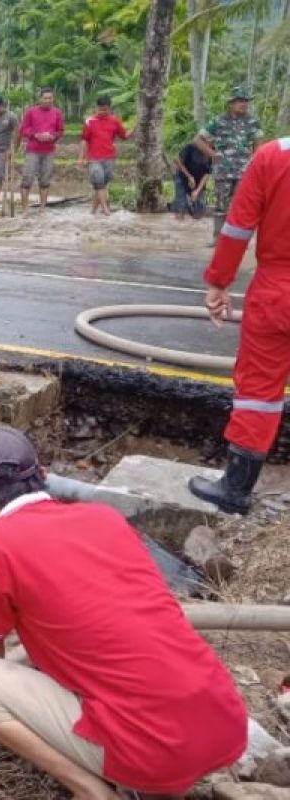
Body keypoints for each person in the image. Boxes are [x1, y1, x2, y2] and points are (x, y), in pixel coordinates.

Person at [0, 425, 246, 799]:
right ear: (43, 475)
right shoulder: (104, 517)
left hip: (152, 751)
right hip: (223, 722)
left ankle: (93, 790)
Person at [187, 137, 290, 515]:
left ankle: (235, 489)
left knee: (258, 392)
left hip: (278, 292)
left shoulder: (274, 156)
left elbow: (237, 228)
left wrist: (218, 283)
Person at [194, 86, 263, 243]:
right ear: (231, 103)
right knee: (220, 206)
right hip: (222, 171)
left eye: (245, 101)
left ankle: (237, 241)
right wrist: (212, 154)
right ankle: (218, 238)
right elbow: (198, 140)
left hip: (245, 172)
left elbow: (258, 145)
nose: (244, 104)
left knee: (241, 206)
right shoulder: (218, 121)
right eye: (240, 101)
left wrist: (253, 162)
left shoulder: (253, 122)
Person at [17, 88, 65, 214]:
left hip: (49, 150)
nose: (48, 100)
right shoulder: (31, 112)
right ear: (40, 99)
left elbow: (60, 130)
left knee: (45, 180)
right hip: (33, 150)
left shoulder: (57, 113)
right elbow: (23, 129)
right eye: (45, 98)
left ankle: (42, 208)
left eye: (50, 98)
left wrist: (52, 136)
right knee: (27, 178)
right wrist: (35, 135)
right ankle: (24, 208)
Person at [78, 96, 129, 216]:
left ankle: (93, 211)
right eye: (100, 109)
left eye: (105, 109)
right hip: (93, 158)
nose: (102, 112)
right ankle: (106, 210)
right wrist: (81, 157)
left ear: (110, 109)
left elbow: (124, 136)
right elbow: (84, 140)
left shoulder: (115, 121)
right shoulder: (89, 121)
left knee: (101, 185)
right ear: (96, 108)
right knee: (99, 182)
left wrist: (136, 127)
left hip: (109, 157)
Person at [172, 137, 212, 221]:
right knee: (180, 204)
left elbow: (207, 174)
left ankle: (191, 213)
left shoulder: (212, 152)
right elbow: (176, 160)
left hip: (199, 180)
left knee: (200, 209)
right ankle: (180, 219)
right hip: (182, 177)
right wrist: (189, 177)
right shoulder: (190, 147)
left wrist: (197, 191)